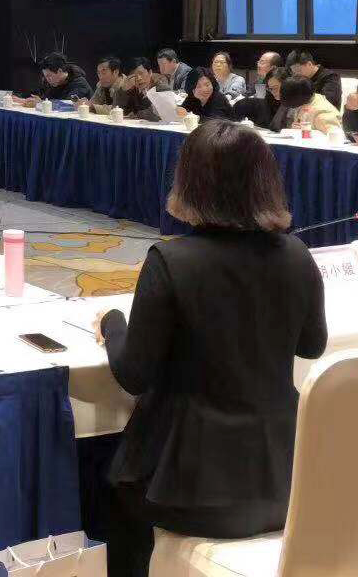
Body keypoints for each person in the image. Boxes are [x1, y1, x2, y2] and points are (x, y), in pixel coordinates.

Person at [93, 121, 326, 576]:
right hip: (285, 478)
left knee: (108, 494)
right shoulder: (297, 254)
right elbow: (311, 345)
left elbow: (134, 373)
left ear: (189, 182)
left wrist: (112, 324)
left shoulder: (170, 260)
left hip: (190, 488)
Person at [110, 58, 171, 123]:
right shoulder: (132, 88)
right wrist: (123, 90)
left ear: (150, 72)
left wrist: (137, 114)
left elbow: (158, 113)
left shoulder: (161, 85)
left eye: (141, 73)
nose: (138, 78)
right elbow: (117, 111)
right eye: (134, 76)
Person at [273, 76, 340, 133]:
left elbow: (335, 138)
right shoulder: (305, 102)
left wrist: (307, 132)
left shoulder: (323, 113)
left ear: (296, 96)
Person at [23, 53, 92, 105]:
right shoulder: (54, 83)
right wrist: (25, 100)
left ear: (60, 71)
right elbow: (44, 98)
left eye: (49, 76)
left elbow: (68, 104)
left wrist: (41, 103)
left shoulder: (80, 84)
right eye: (46, 76)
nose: (47, 79)